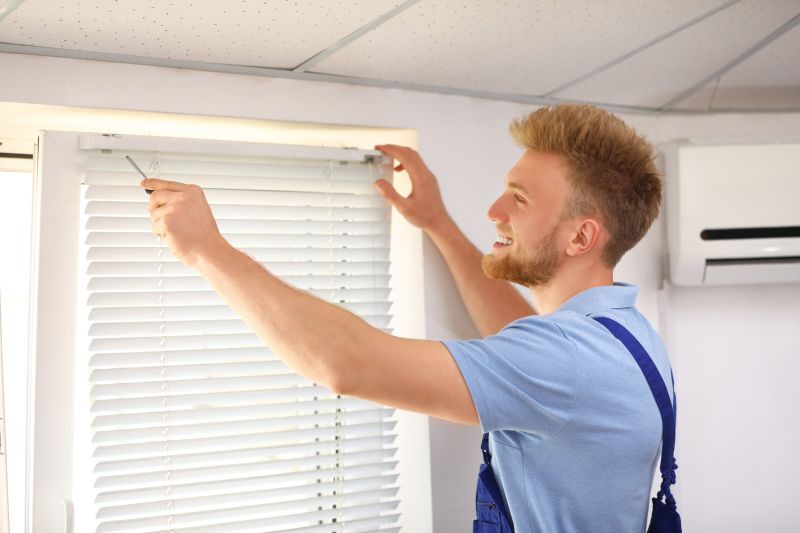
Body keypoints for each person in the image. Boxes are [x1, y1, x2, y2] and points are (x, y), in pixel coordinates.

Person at [141, 103, 674, 532]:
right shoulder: (621, 335)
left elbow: (345, 364)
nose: (494, 210)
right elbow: (516, 335)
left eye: (518, 199)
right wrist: (438, 222)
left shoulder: (566, 360)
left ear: (581, 236)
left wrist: (206, 250)